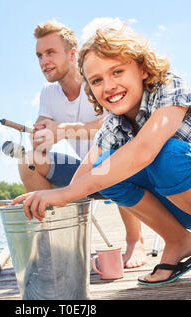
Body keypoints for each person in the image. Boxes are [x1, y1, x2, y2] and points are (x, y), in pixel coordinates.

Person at [13, 22, 191, 294]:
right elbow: (87, 171)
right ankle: (178, 240)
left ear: (142, 68)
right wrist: (54, 200)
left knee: (165, 153)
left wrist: (66, 194)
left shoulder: (169, 87)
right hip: (189, 212)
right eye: (97, 81)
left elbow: (145, 150)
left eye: (117, 72)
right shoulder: (114, 123)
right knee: (104, 171)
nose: (108, 86)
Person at [19, 20, 146, 268]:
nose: (44, 61)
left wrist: (64, 131)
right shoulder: (48, 92)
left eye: (50, 52)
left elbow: (113, 126)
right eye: (39, 55)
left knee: (114, 154)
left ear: (72, 54)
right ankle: (58, 246)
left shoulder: (97, 80)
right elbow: (44, 125)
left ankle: (135, 240)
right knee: (28, 161)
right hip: (80, 173)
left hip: (117, 168)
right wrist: (40, 135)